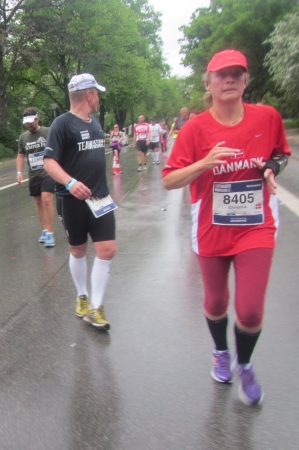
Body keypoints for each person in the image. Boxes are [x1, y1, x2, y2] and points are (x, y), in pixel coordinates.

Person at [162, 49, 290, 406]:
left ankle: (244, 364)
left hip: (256, 227)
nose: (229, 79)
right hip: (212, 227)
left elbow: (280, 154)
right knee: (216, 302)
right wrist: (204, 163)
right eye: (221, 74)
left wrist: (271, 169)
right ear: (209, 83)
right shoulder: (195, 129)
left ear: (246, 80)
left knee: (250, 310)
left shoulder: (268, 117)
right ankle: (220, 351)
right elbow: (169, 180)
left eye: (236, 73)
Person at [44, 73, 117, 330]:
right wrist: (70, 183)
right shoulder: (61, 124)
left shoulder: (95, 123)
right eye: (97, 94)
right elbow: (49, 162)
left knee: (107, 250)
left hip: (100, 198)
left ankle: (96, 308)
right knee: (78, 250)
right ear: (88, 94)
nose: (98, 98)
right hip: (71, 200)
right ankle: (82, 295)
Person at [16, 107, 56, 247]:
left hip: (48, 172)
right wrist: (19, 172)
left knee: (47, 200)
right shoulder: (23, 137)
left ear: (37, 119)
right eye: (26, 123)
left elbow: (58, 146)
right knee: (38, 202)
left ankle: (50, 233)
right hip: (33, 174)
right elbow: (20, 155)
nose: (28, 125)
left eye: (30, 122)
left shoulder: (48, 131)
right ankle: (44, 230)